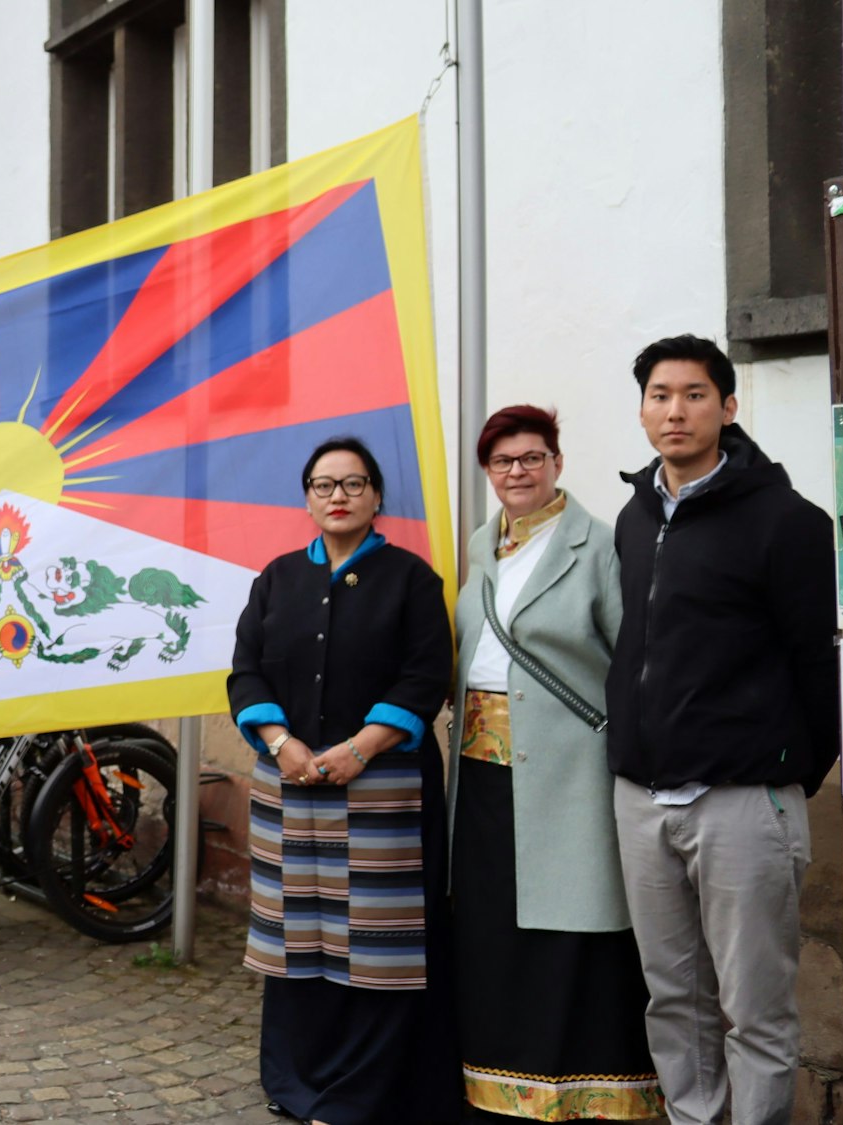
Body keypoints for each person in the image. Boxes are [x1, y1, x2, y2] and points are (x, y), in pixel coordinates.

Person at [606, 335, 837, 1125]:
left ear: (728, 407)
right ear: (642, 410)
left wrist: (786, 772)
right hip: (642, 797)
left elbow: (818, 662)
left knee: (755, 1012)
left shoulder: (787, 521)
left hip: (743, 799)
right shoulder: (635, 518)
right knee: (674, 1000)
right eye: (661, 395)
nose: (676, 409)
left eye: (695, 394)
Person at [227, 435, 459, 1124]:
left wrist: (361, 747)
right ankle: (297, 1080)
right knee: (299, 941)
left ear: (377, 497)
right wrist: (280, 741)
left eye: (353, 484)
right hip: (291, 784)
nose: (338, 496)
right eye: (325, 485)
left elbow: (426, 674)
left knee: (381, 950)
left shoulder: (413, 580)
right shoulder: (275, 578)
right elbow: (245, 670)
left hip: (385, 791)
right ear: (307, 499)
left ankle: (364, 1092)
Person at [447, 406, 661, 1120]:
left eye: (532, 457)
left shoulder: (597, 546)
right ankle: (499, 1089)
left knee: (574, 933)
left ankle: (593, 1094)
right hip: (479, 776)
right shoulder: (481, 546)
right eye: (504, 461)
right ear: (488, 471)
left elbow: (631, 658)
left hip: (568, 772)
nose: (518, 471)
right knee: (495, 932)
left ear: (557, 464)